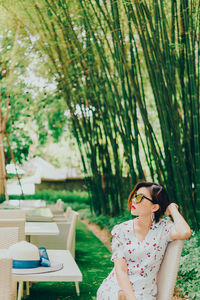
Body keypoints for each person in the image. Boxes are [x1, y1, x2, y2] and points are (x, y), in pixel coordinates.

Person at [97, 181, 191, 300]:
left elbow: (185, 232)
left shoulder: (163, 229)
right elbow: (120, 270)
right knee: (120, 296)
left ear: (155, 207)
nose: (134, 200)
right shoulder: (121, 230)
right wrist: (130, 297)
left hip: (144, 291)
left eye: (140, 197)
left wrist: (172, 209)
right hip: (118, 286)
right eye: (135, 195)